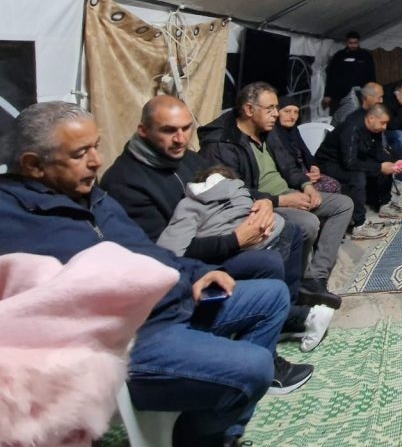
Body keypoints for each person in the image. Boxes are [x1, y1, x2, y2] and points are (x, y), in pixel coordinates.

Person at [0, 102, 305, 447]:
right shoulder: (11, 218)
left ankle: (220, 432)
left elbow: (150, 251)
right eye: (80, 154)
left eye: (96, 147)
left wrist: (197, 274)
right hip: (133, 338)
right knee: (255, 367)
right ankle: (197, 435)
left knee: (271, 295)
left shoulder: (92, 196)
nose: (96, 161)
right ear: (33, 165)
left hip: (173, 302)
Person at [103, 95, 336, 351]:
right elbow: (160, 253)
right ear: (143, 131)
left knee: (292, 230)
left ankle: (282, 319)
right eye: (169, 131)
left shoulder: (186, 158)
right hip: (187, 263)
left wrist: (265, 202)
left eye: (185, 128)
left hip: (217, 231)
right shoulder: (126, 182)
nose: (180, 139)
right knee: (267, 261)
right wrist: (235, 240)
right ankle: (269, 336)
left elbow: (227, 187)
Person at [199, 82, 355, 305]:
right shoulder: (223, 144)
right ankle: (296, 286)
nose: (275, 114)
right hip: (261, 203)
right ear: (249, 110)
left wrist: (306, 186)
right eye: (270, 108)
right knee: (308, 223)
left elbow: (289, 166)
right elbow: (233, 194)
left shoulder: (268, 132)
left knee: (343, 204)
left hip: (288, 193)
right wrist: (282, 200)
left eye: (276, 108)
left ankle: (315, 278)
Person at [316, 103, 402, 238]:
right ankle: (359, 225)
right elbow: (350, 163)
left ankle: (384, 204)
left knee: (384, 164)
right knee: (357, 176)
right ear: (371, 118)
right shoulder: (352, 128)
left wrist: (394, 162)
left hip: (351, 158)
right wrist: (379, 168)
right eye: (382, 123)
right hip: (328, 163)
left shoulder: (374, 129)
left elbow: (377, 151)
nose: (385, 127)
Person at [274, 95, 343, 195]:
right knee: (330, 187)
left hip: (304, 171)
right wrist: (302, 178)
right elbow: (282, 167)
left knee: (334, 184)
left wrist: (314, 167)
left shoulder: (294, 131)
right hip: (289, 177)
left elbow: (306, 153)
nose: (292, 116)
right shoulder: (273, 135)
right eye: (287, 111)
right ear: (277, 113)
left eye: (296, 112)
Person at [322, 31, 375, 115]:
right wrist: (328, 95)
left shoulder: (366, 55)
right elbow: (331, 76)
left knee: (359, 115)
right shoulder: (339, 56)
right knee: (339, 115)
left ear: (359, 42)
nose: (353, 45)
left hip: (360, 93)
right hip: (340, 94)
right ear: (346, 42)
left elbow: (371, 75)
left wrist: (372, 93)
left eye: (355, 43)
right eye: (350, 43)